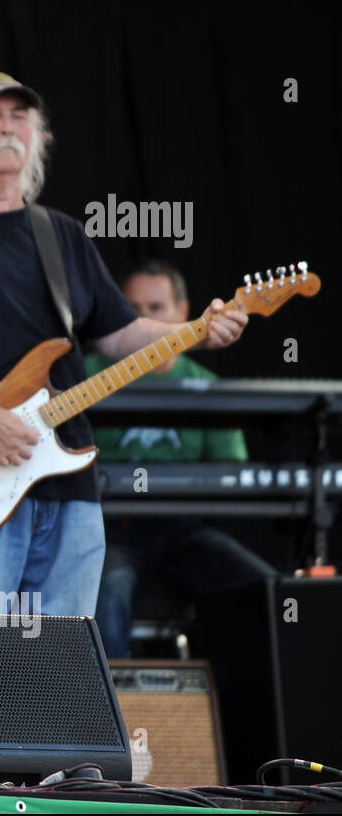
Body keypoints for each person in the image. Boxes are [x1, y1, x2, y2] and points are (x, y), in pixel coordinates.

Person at [0, 72, 246, 617]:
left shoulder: (60, 234)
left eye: (21, 116)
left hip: (67, 482)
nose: (8, 125)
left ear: (40, 136)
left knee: (62, 676)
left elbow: (121, 333)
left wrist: (199, 329)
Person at [88, 260, 278, 656]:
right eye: (132, 308)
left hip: (181, 532)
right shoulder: (88, 374)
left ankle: (241, 710)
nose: (143, 317)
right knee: (105, 595)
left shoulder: (206, 387)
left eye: (155, 308)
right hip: (110, 532)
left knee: (265, 589)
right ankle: (107, 715)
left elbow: (233, 474)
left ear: (184, 312)